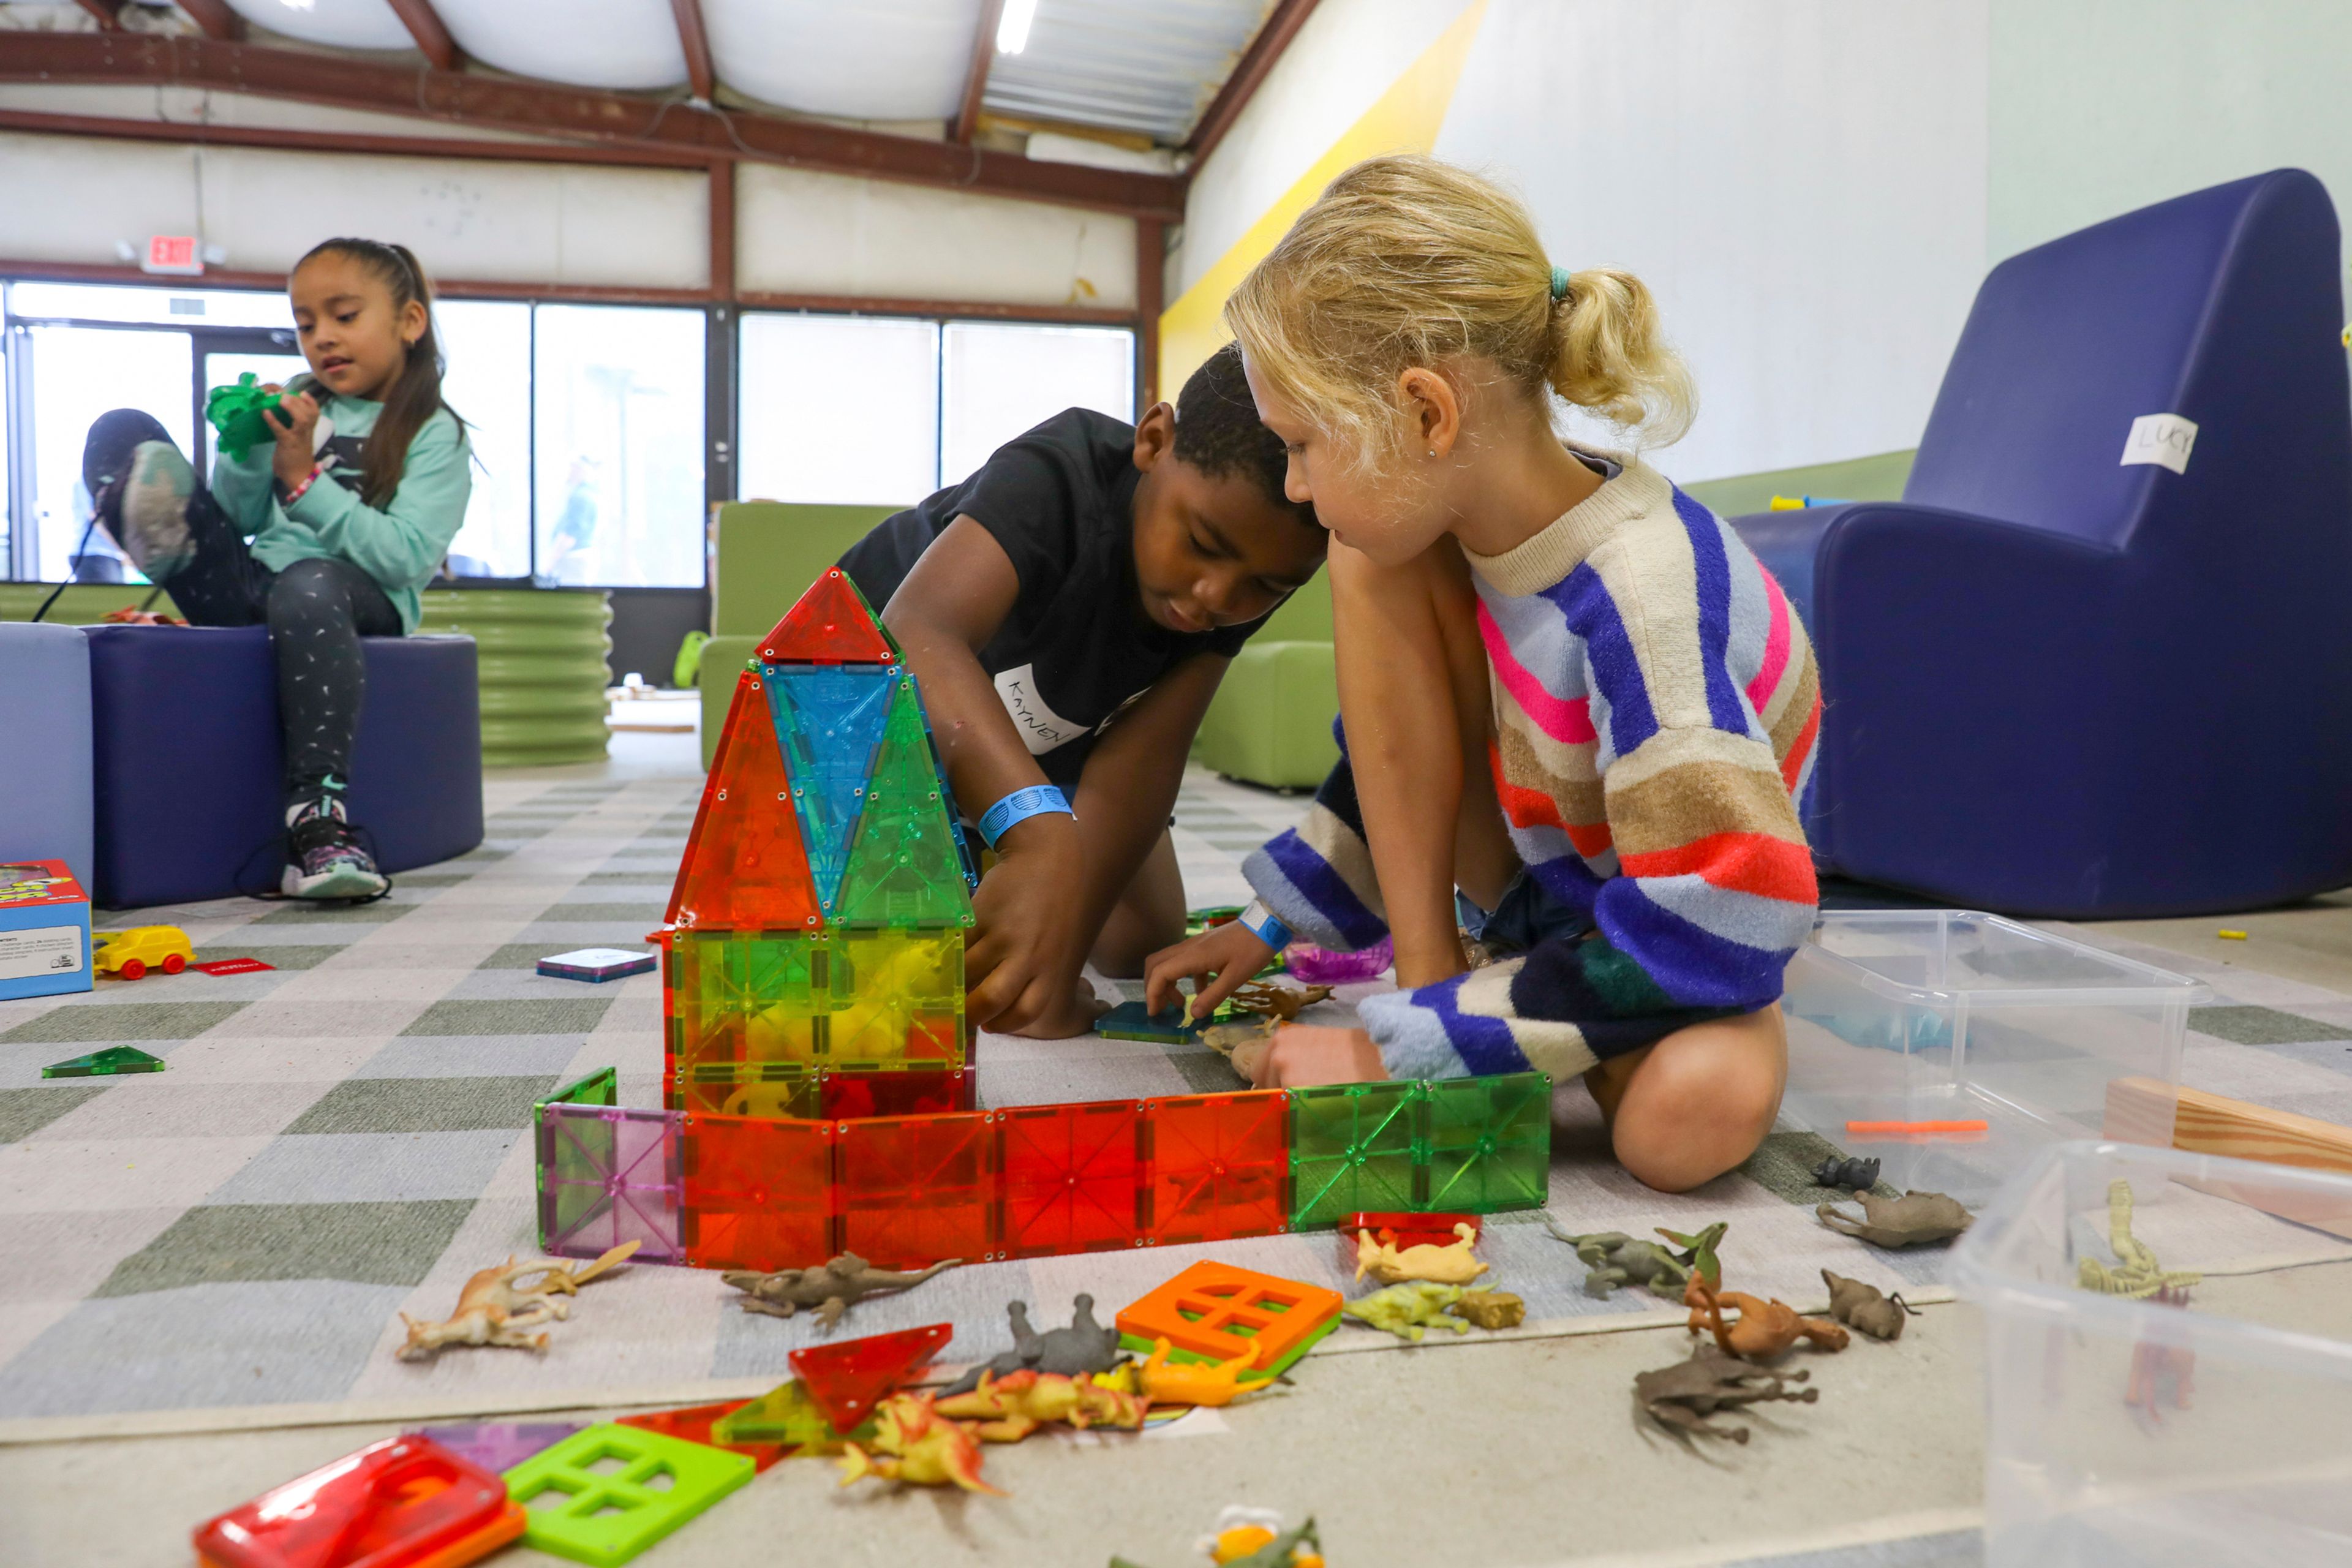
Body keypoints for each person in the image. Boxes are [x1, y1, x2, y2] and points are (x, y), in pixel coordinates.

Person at [1143, 156, 1822, 1192]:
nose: (1293, 485)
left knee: (1686, 1124)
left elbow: (1727, 908)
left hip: (1677, 909)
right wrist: (1269, 924)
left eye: (1301, 445)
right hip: (1537, 894)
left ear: (1425, 413)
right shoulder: (1426, 534)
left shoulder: (1647, 601)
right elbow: (1413, 755)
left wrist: (1395, 1046)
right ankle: (1452, 1000)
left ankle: (1479, 1025)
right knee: (1366, 551)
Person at [840, 344, 1328, 1038]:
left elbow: (1148, 759)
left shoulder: (1250, 573)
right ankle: (1002, 843)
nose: (1215, 594)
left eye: (1265, 587)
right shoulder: (1057, 474)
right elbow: (918, 631)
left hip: (1039, 755)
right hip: (864, 721)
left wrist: (1056, 963)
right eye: (1201, 542)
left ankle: (1008, 850)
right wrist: (1041, 836)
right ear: (1154, 442)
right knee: (867, 936)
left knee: (1139, 942)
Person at [82, 237, 472, 900]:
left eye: (345, 317)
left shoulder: (434, 431)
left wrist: (301, 483)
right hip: (259, 587)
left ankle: (319, 824)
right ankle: (164, 530)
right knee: (125, 429)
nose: (322, 338)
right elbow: (240, 520)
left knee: (311, 579)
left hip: (360, 596)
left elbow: (407, 556)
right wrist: (244, 452)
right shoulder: (297, 397)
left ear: (409, 322)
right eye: (306, 322)